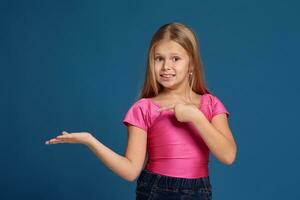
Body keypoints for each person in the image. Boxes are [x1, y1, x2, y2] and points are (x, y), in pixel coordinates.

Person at [45, 22, 237, 200]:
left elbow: (228, 156)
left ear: (192, 64)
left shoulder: (210, 104)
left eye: (175, 59)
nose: (166, 66)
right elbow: (130, 171)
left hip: (199, 191)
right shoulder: (143, 108)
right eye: (158, 59)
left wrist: (196, 117)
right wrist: (90, 141)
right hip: (155, 190)